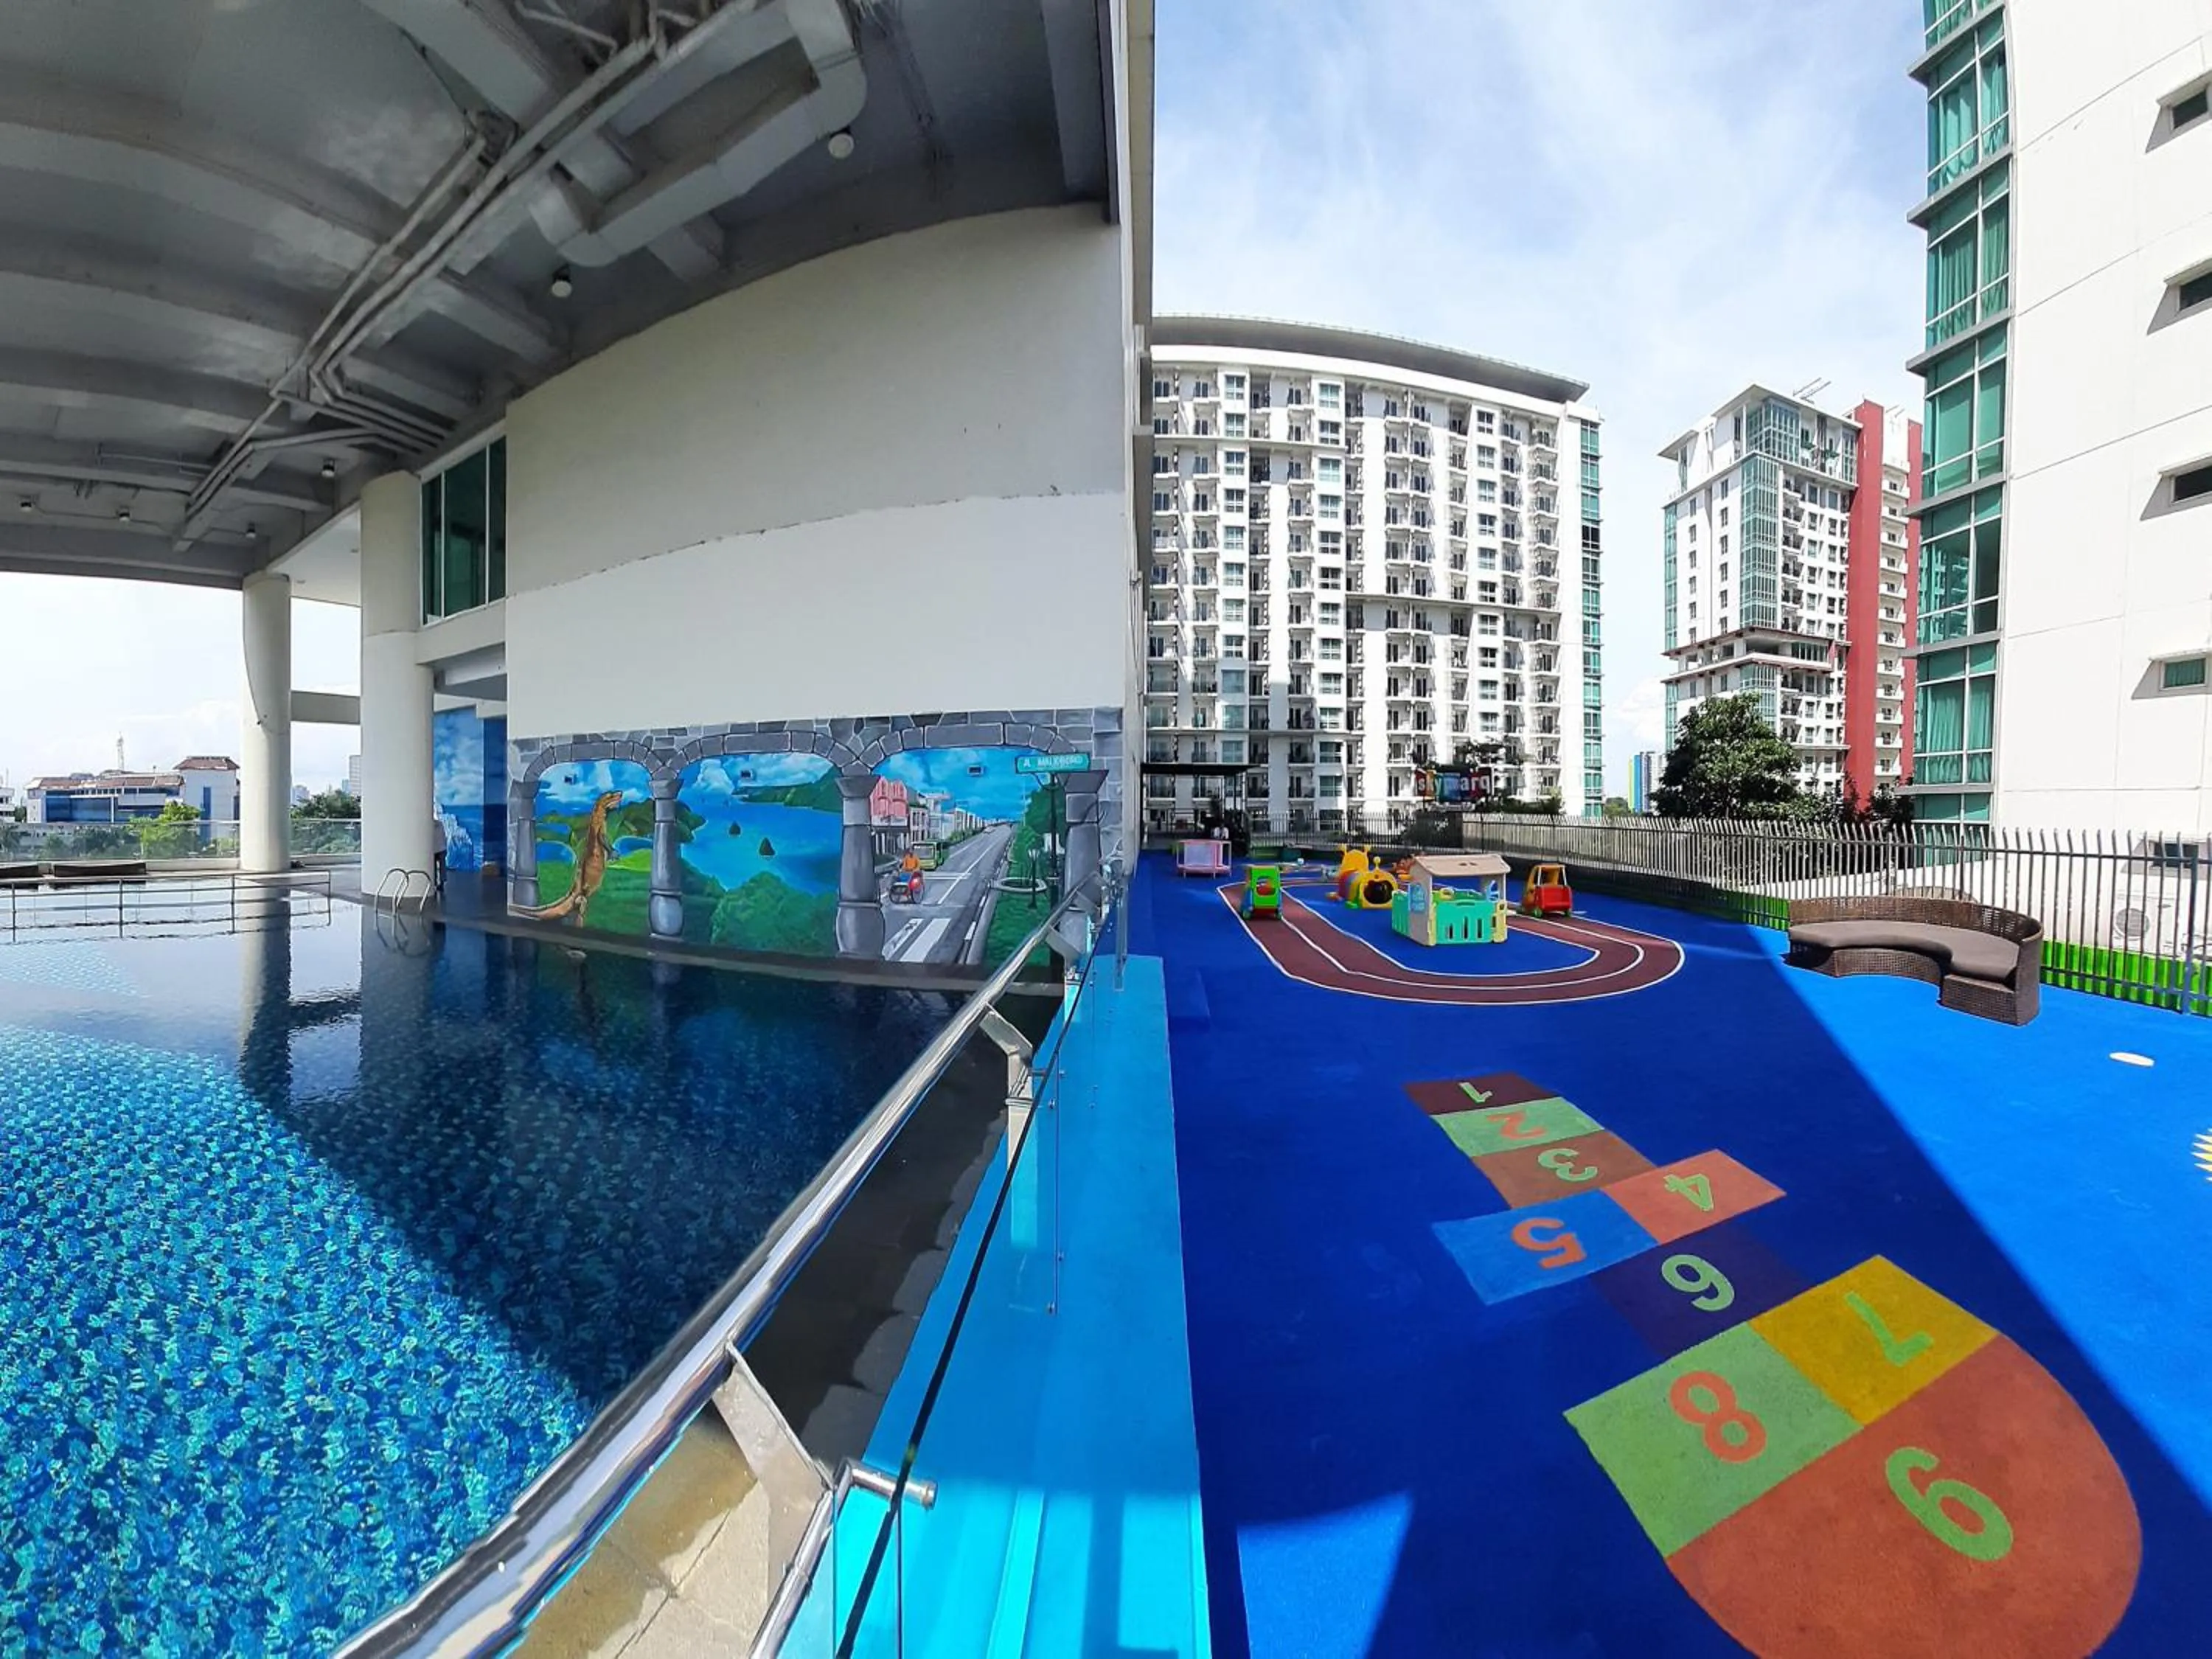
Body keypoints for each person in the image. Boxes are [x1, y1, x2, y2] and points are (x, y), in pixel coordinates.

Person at [431, 813, 449, 894]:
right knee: (442, 866)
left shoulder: (429, 826)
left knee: (433, 867)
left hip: (434, 849)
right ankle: (442, 883)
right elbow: (444, 836)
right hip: (442, 848)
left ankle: (434, 882)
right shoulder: (440, 824)